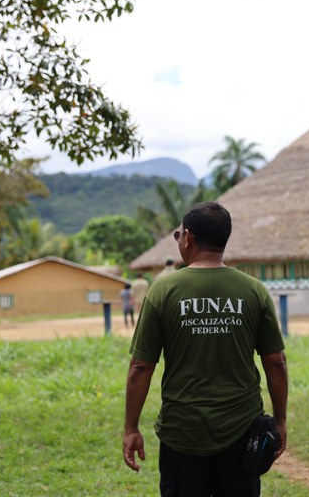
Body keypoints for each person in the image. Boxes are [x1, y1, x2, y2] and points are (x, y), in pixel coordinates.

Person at [122, 201, 288, 497]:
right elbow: (275, 362)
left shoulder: (162, 291)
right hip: (243, 432)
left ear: (189, 238)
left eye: (178, 236)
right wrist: (280, 419)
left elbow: (140, 366)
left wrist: (131, 427)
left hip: (182, 432)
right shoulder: (253, 290)